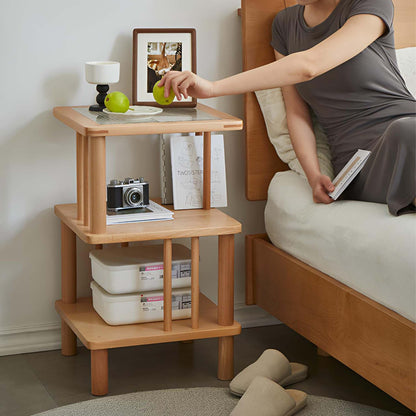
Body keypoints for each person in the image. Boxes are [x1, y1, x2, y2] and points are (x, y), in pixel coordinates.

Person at [159, 0, 416, 216]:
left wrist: (213, 87)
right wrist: (314, 175)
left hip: (407, 126)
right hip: (363, 163)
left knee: (406, 129)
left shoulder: (370, 4)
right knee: (405, 132)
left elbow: (309, 65)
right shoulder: (285, 26)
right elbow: (296, 113)